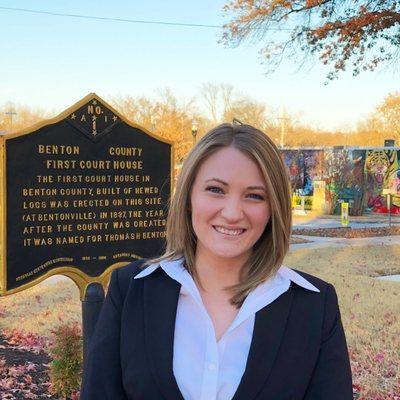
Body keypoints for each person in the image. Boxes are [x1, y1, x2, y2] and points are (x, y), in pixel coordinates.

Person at [81, 123, 353, 400]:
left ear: (273, 208)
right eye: (215, 189)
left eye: (255, 196)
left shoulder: (314, 307)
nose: (233, 213)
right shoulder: (131, 289)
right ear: (189, 196)